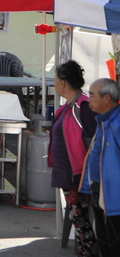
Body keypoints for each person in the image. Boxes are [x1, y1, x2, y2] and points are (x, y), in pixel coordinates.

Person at [49, 61, 99, 257]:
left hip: (78, 174)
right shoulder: (69, 106)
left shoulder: (83, 106)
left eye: (55, 79)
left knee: (79, 218)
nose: (54, 82)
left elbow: (95, 139)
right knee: (77, 217)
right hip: (67, 173)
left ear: (62, 82)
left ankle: (90, 252)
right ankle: (85, 252)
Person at [81, 78, 120, 257]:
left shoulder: (116, 123)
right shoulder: (103, 121)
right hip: (100, 191)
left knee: (114, 244)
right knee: (104, 241)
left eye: (91, 95)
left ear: (106, 98)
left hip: (114, 196)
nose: (88, 99)